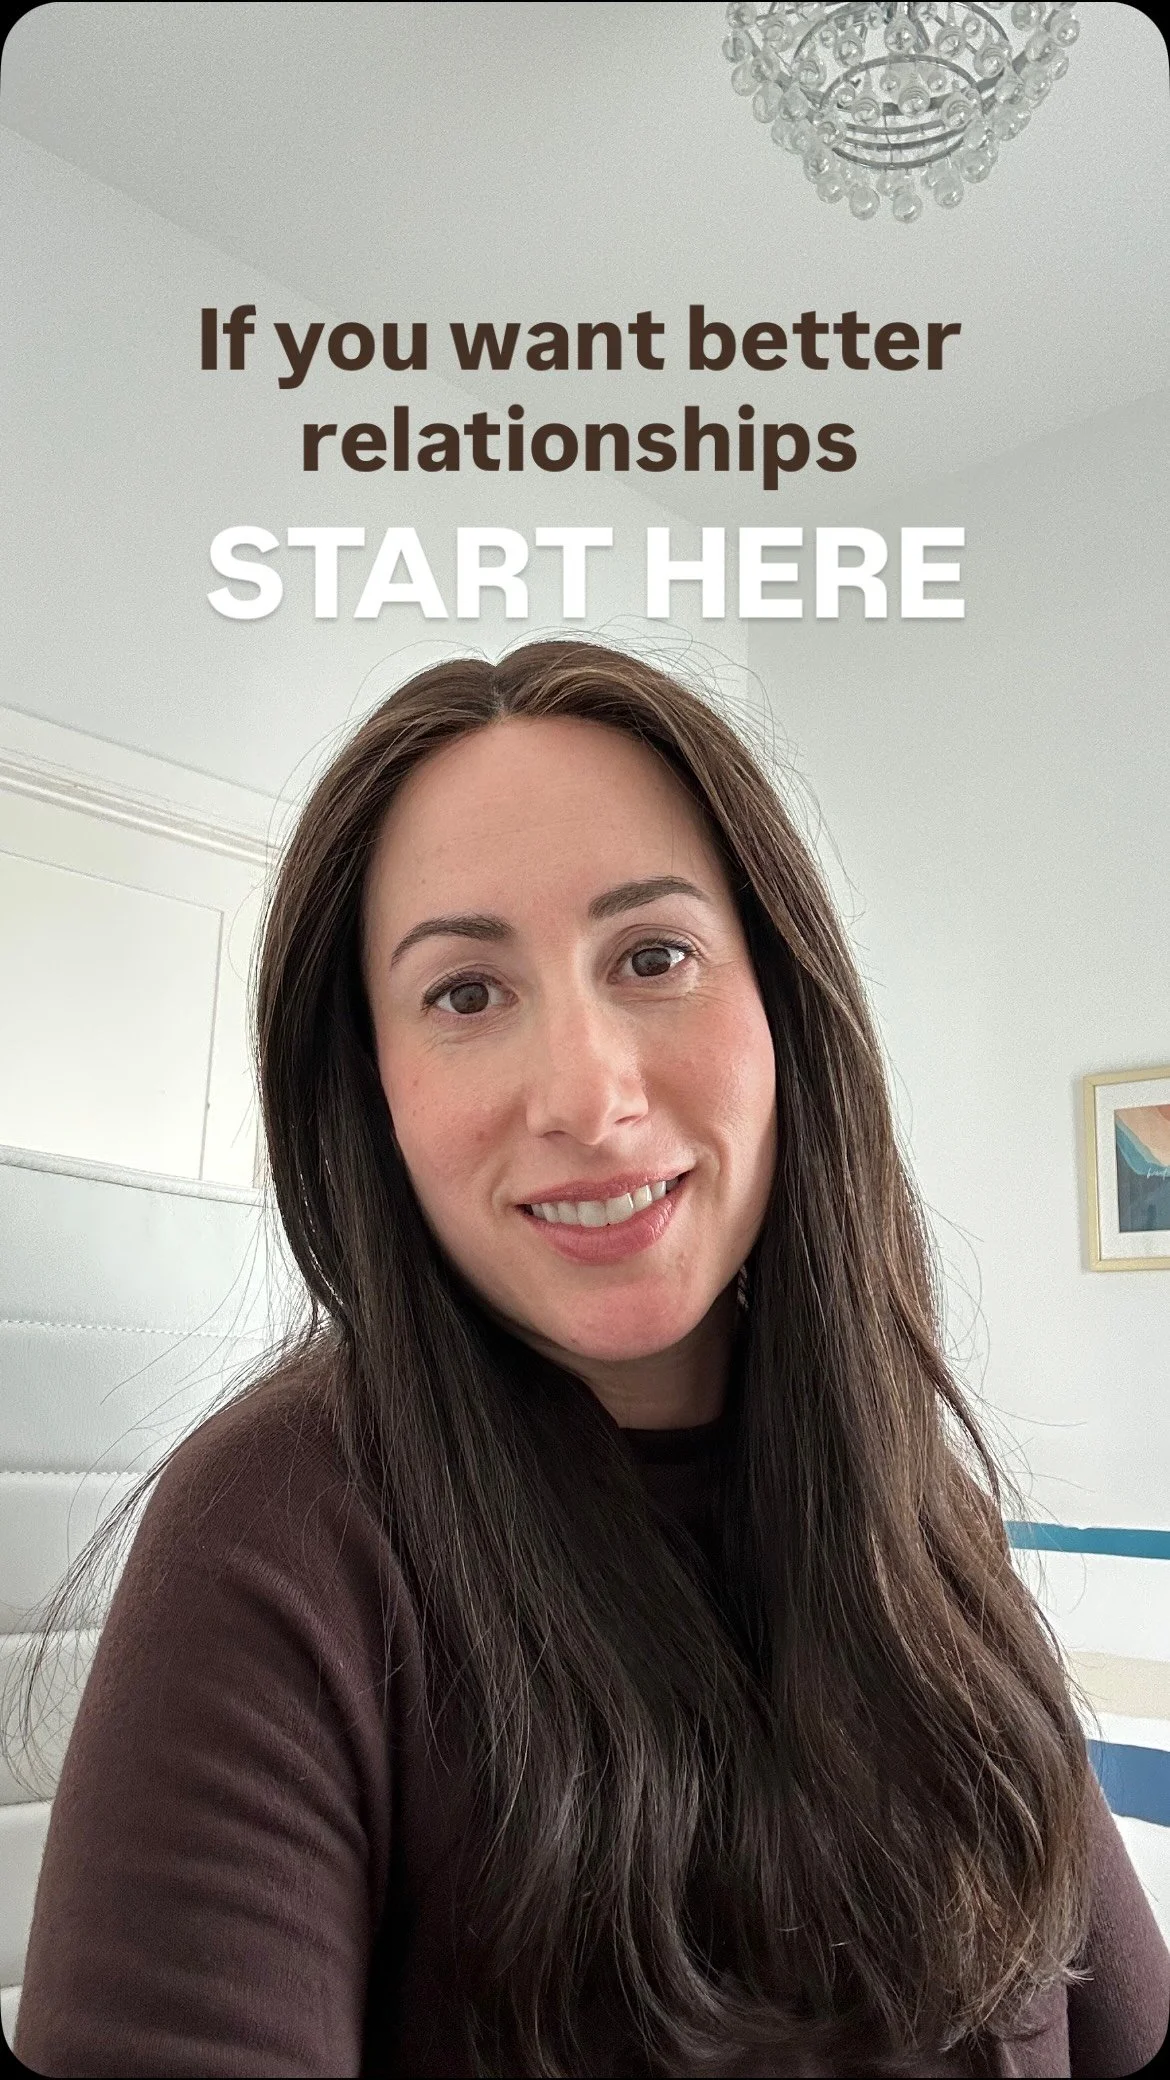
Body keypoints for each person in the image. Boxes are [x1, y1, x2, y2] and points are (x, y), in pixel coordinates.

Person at [12, 640, 1169, 2078]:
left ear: (782, 1005)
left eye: (654, 957)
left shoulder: (918, 1509)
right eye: (464, 994)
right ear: (369, 1087)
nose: (585, 1095)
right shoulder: (279, 1533)